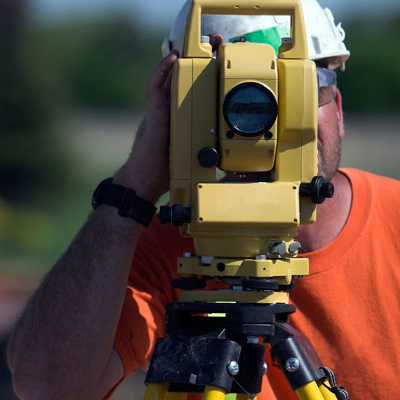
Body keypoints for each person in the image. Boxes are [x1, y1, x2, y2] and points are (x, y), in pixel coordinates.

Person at [6, 1, 400, 400]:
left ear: (336, 106)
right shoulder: (163, 248)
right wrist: (134, 186)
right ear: (180, 110)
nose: (265, 119)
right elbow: (46, 387)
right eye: (228, 95)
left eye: (298, 87)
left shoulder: (395, 222)